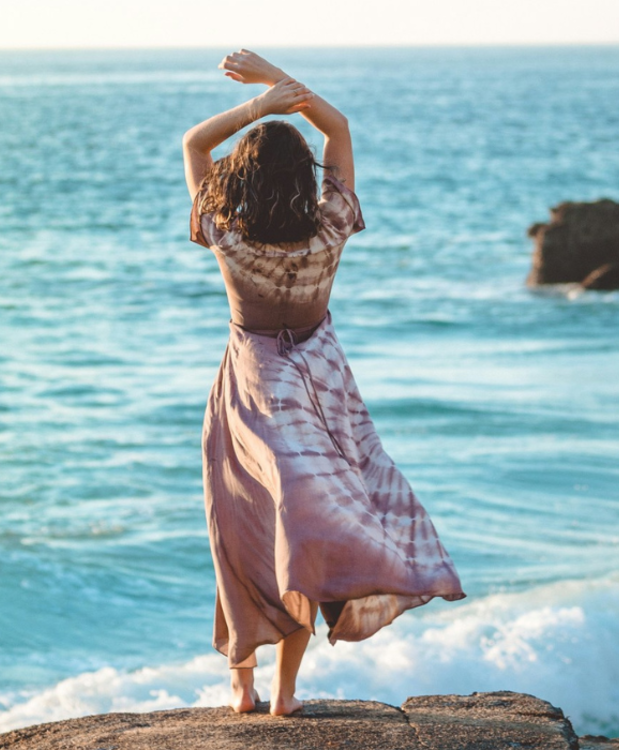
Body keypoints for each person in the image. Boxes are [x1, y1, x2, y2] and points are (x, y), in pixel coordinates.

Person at [182, 49, 466, 717]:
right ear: (304, 177)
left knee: (244, 530)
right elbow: (338, 130)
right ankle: (284, 693)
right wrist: (283, 85)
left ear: (242, 178)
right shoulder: (332, 224)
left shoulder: (225, 230)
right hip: (325, 389)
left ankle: (243, 684)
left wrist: (260, 104)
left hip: (252, 392)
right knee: (304, 538)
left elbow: (195, 142)